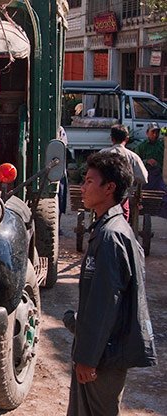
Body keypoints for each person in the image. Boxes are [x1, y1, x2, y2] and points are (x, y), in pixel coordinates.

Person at [63, 152, 157, 416]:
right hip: (104, 352)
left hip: (104, 357)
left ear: (109, 188)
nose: (82, 187)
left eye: (90, 182)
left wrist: (87, 357)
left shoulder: (111, 237)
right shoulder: (109, 229)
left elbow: (105, 304)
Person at [99, 124, 148, 221]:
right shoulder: (133, 157)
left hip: (104, 195)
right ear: (127, 138)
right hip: (123, 196)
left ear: (111, 138)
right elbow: (143, 178)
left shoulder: (102, 154)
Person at [135, 122, 166, 217]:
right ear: (147, 133)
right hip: (145, 176)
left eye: (157, 132)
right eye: (153, 132)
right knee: (140, 194)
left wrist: (158, 164)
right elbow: (136, 161)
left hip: (158, 177)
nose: (155, 135)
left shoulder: (162, 146)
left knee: (163, 193)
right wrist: (146, 161)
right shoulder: (141, 146)